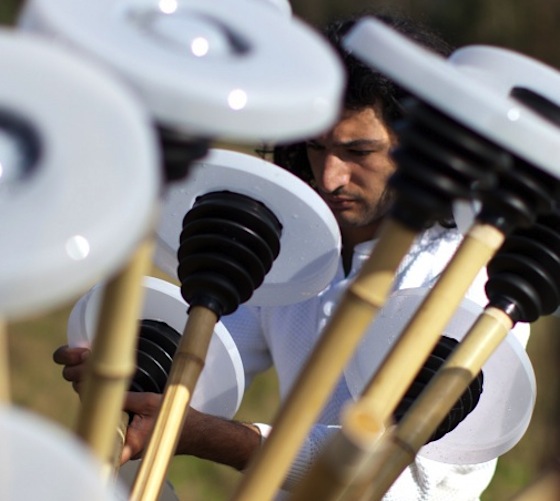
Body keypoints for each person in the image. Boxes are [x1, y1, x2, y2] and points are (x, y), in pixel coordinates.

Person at [53, 9, 530, 500]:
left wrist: (204, 435)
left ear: (427, 147)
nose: (330, 178)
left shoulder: (473, 281)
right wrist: (128, 367)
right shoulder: (302, 252)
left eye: (359, 152)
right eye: (317, 148)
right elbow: (214, 347)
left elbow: (402, 475)